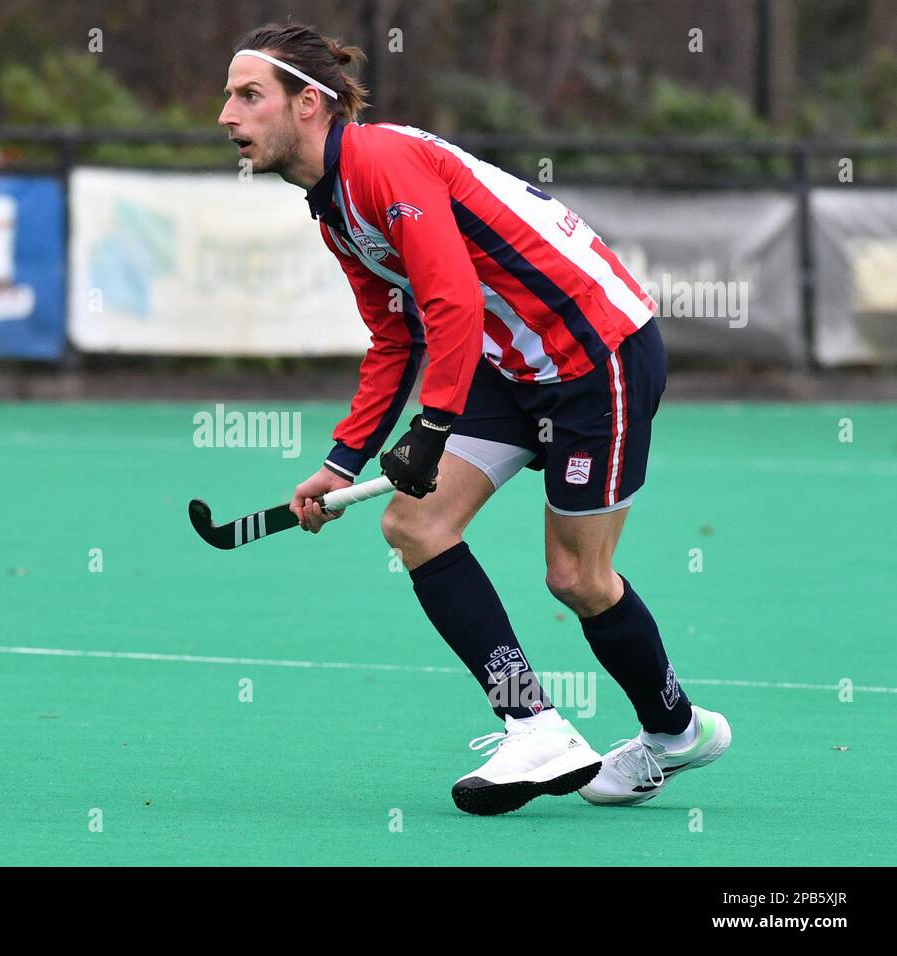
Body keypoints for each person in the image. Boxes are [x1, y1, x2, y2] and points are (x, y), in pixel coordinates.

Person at [218, 22, 732, 815]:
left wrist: (431, 428)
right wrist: (343, 461)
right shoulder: (332, 209)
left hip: (596, 351)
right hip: (510, 366)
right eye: (230, 96)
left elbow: (452, 297)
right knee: (415, 525)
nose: (228, 115)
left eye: (249, 95)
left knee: (576, 579)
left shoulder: (381, 163)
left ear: (309, 104)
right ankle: (534, 724)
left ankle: (674, 731)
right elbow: (397, 331)